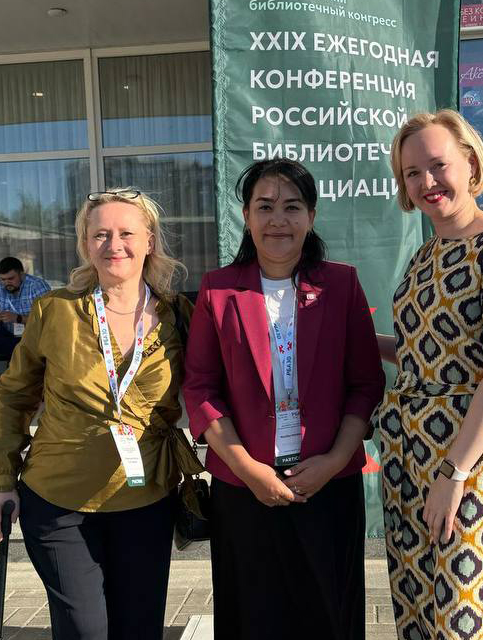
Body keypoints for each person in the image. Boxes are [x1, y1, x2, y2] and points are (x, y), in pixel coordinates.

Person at [182, 159, 385, 640]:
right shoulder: (218, 290)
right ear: (246, 216)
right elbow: (201, 388)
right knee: (253, 618)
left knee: (330, 617)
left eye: (292, 207)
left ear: (311, 217)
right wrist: (248, 470)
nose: (278, 220)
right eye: (265, 206)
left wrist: (334, 461)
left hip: (327, 485)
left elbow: (365, 383)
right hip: (244, 487)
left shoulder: (341, 284)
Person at [0, 189, 196, 640]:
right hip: (58, 498)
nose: (114, 245)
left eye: (126, 233)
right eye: (100, 234)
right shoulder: (55, 310)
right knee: (85, 630)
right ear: (85, 244)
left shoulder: (179, 314)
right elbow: (14, 395)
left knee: (139, 629)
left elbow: (213, 388)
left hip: (146, 497)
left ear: (150, 241)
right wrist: (2, 479)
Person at [377, 110, 483, 640]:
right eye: (412, 172)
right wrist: (356, 344)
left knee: (464, 615)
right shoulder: (423, 257)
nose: (427, 182)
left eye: (438, 165)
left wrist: (454, 475)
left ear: (471, 164)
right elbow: (421, 355)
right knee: (418, 612)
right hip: (408, 457)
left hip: (466, 460)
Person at [0, 257, 50, 404]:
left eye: (11, 278)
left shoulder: (37, 286)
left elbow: (49, 319)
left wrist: (19, 318)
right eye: (3, 279)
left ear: (21, 274)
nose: (6, 283)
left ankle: (33, 389)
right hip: (7, 334)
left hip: (32, 337)